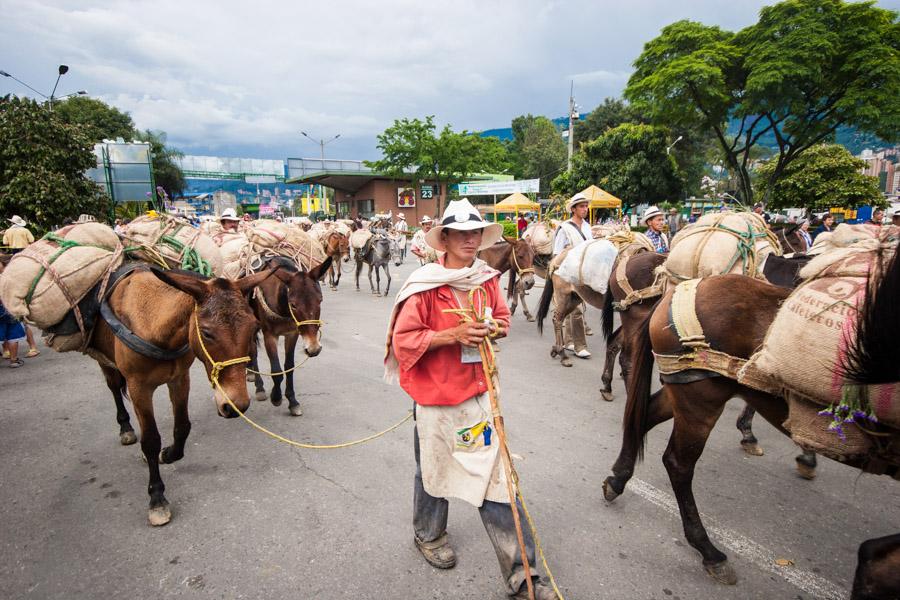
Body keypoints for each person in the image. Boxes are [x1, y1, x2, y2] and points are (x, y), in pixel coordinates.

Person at [385, 198, 555, 600]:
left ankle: (523, 577)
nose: (468, 239)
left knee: (494, 480)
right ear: (443, 238)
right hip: (433, 398)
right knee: (431, 468)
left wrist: (491, 328)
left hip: (477, 395)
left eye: (474, 232)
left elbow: (503, 319)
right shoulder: (424, 284)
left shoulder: (485, 278)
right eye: (460, 233)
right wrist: (452, 336)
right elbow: (404, 340)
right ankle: (428, 535)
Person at [553, 193, 592, 359]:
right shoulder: (565, 228)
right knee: (575, 310)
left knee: (574, 308)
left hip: (583, 272)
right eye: (581, 206)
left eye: (586, 206)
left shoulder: (588, 227)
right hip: (567, 274)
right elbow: (556, 253)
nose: (585, 209)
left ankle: (568, 341)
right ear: (574, 209)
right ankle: (580, 346)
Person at [3, 215, 40, 357]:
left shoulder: (8, 231)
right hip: (25, 253)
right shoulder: (24, 231)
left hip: (13, 254)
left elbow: (5, 243)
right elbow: (31, 240)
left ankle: (7, 349)